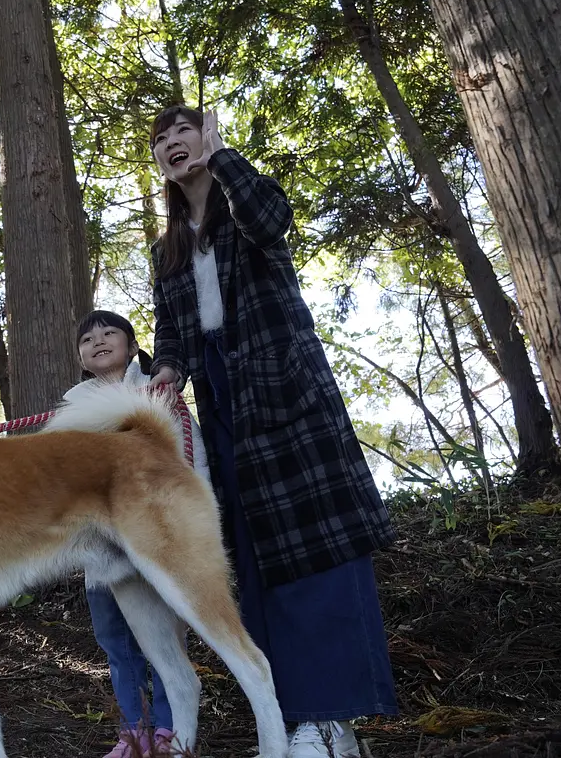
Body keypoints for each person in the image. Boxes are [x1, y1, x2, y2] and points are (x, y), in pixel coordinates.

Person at [146, 106, 397, 758]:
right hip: (221, 410)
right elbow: (171, 333)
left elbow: (271, 216)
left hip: (286, 394)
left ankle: (333, 722)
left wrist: (224, 158)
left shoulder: (246, 208)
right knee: (251, 565)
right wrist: (167, 371)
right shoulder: (167, 248)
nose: (174, 143)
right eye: (162, 139)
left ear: (208, 138)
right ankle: (291, 718)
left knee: (316, 555)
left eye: (185, 131)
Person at [64, 309, 209, 757]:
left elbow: (190, 460)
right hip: (101, 550)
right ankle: (134, 732)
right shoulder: (72, 409)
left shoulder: (160, 395)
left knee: (165, 638)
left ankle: (169, 729)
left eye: (110, 333)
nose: (99, 341)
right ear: (81, 357)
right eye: (88, 339)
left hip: (159, 540)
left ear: (131, 345)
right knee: (116, 643)